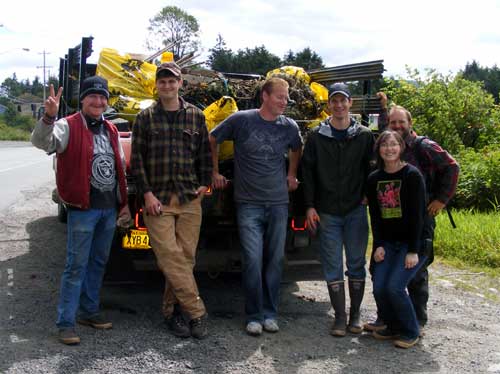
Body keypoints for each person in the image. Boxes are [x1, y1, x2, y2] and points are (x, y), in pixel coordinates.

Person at [31, 76, 130, 345]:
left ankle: (89, 311)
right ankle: (66, 323)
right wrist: (49, 117)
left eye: (102, 97)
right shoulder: (67, 125)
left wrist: (124, 204)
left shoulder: (110, 129)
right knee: (76, 266)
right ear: (83, 100)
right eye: (92, 96)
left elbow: (119, 168)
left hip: (108, 209)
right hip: (83, 210)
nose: (98, 101)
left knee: (98, 263)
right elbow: (42, 143)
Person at [209, 77, 303, 336]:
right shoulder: (242, 120)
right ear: (265, 95)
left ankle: (270, 313)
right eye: (280, 97)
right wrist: (214, 172)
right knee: (252, 260)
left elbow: (297, 148)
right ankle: (253, 315)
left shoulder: (289, 126)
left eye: (286, 98)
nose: (284, 101)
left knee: (275, 260)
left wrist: (292, 174)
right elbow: (212, 138)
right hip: (248, 203)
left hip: (278, 203)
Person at [130, 62, 212, 339]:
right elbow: (137, 161)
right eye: (162, 81)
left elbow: (204, 154)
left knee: (184, 258)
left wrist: (204, 184)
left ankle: (172, 312)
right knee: (169, 256)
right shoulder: (145, 118)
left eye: (172, 81)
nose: (167, 85)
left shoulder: (196, 116)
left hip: (189, 198)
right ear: (157, 85)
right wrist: (147, 194)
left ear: (180, 84)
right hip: (158, 200)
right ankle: (197, 313)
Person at [364, 95, 459, 333]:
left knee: (415, 272)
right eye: (392, 123)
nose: (396, 126)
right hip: (391, 222)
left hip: (419, 219)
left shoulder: (424, 146)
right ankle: (385, 318)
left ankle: (417, 319)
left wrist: (441, 199)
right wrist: (384, 107)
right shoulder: (391, 145)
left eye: (401, 122)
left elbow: (452, 166)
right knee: (379, 268)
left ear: (410, 123)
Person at [301, 82, 374, 337]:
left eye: (343, 100)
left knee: (356, 263)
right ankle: (339, 318)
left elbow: (372, 169)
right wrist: (309, 205)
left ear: (350, 104)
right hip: (327, 211)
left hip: (355, 210)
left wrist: (368, 194)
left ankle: (355, 315)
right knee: (332, 264)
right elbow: (306, 173)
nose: (339, 105)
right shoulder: (316, 136)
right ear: (328, 105)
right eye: (334, 100)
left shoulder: (364, 135)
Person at [366, 130, 427, 348]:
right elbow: (375, 216)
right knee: (379, 287)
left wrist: (413, 249)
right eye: (384, 145)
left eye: (393, 144)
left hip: (413, 243)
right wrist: (379, 245)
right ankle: (392, 325)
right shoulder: (374, 179)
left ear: (401, 147)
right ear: (379, 150)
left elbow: (418, 216)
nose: (389, 149)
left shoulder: (411, 175)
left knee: (394, 287)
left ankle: (411, 331)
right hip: (389, 244)